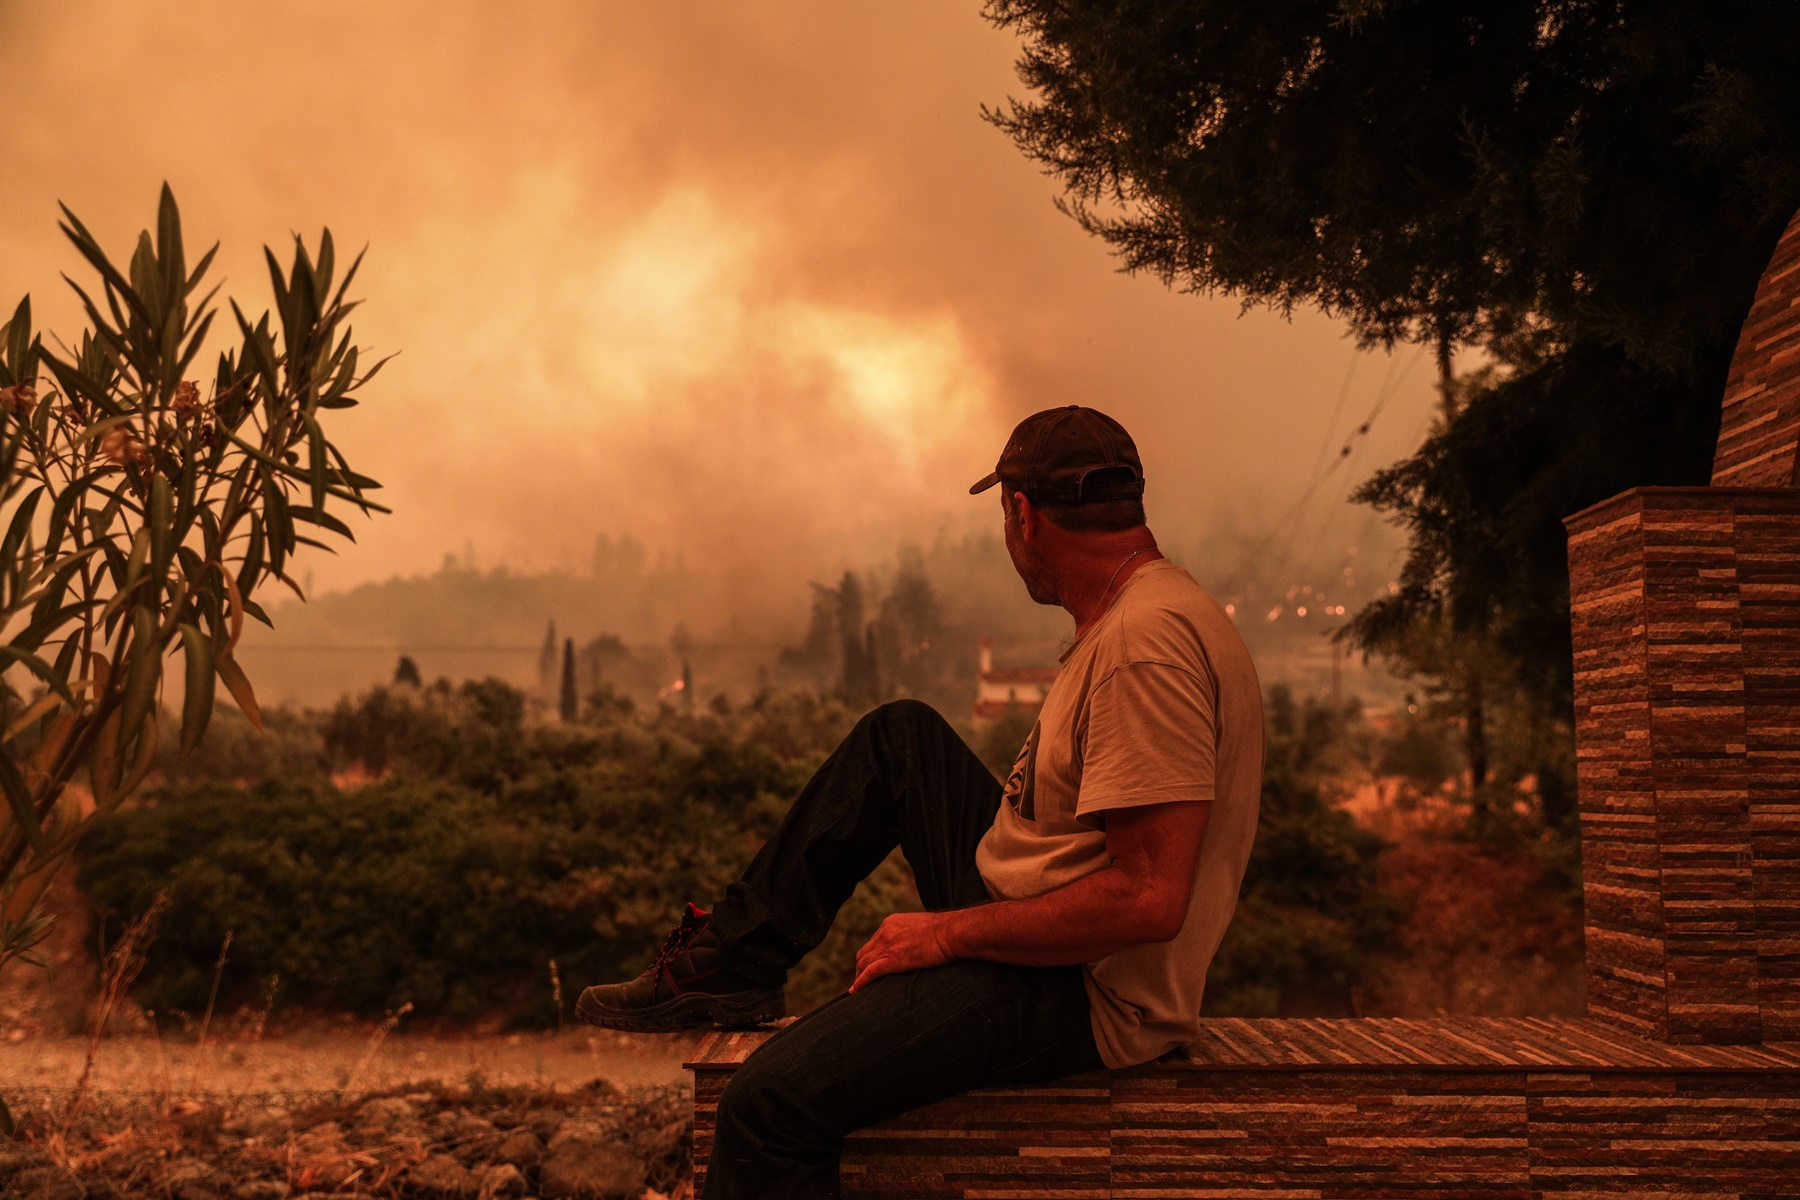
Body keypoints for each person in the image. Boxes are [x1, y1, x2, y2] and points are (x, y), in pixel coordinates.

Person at [577, 405, 1263, 1199]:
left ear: (1021, 513)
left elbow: (1147, 899)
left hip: (1084, 990)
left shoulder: (1145, 647)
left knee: (763, 1107)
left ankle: (745, 986)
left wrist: (945, 934)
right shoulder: (1144, 612)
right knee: (899, 738)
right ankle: (734, 963)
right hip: (1046, 923)